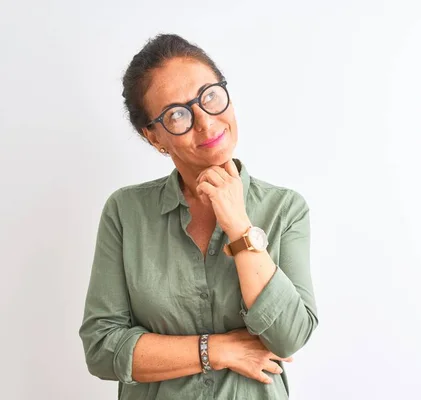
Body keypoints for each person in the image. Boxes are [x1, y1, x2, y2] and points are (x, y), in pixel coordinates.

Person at [79, 33, 318, 400]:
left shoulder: (285, 208)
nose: (205, 122)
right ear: (153, 136)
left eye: (209, 96)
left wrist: (239, 225)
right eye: (177, 114)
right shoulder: (125, 212)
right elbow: (101, 347)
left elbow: (289, 336)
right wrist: (219, 350)